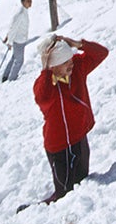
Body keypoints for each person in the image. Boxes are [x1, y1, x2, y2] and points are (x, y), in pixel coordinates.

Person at [32, 34, 108, 202]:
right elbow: (41, 97)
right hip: (58, 147)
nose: (71, 63)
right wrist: (45, 68)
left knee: (82, 182)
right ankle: (39, 210)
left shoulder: (78, 68)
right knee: (64, 194)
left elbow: (101, 53)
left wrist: (78, 44)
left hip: (79, 138)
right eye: (65, 61)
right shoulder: (46, 83)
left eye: (71, 59)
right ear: (53, 65)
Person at [1, 0, 33, 82]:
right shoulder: (21, 14)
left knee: (14, 58)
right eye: (28, 1)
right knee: (19, 61)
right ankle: (12, 79)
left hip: (21, 39)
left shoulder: (24, 12)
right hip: (19, 40)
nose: (30, 3)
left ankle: (5, 76)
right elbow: (13, 28)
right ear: (23, 2)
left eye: (30, 1)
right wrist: (9, 42)